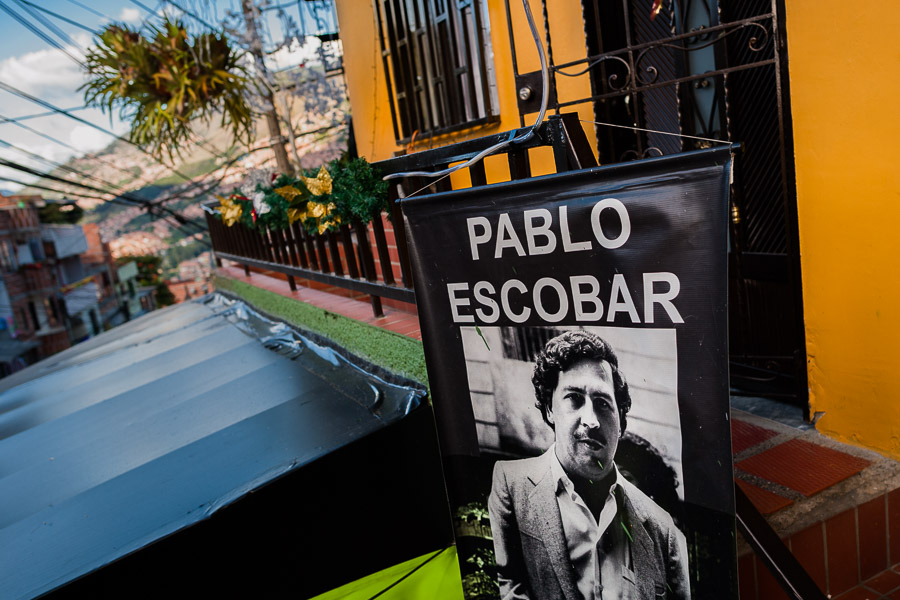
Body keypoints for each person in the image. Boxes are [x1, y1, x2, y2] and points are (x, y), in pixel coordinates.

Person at [488, 330, 690, 600]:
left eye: (603, 403)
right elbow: (506, 583)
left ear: (621, 422)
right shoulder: (511, 485)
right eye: (574, 398)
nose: (591, 420)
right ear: (549, 409)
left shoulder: (663, 530)